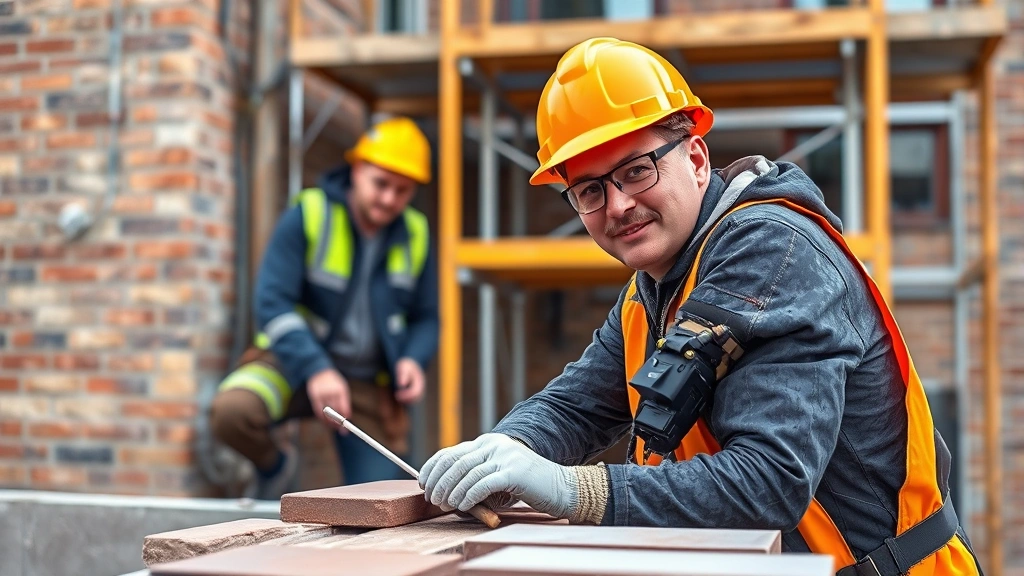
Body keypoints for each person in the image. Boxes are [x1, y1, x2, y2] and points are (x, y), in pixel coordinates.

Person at [419, 38, 981, 575]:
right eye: (589, 190)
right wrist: (504, 448)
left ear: (696, 156)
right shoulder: (654, 289)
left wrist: (571, 490)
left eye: (637, 171)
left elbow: (768, 484)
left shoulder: (773, 254)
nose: (618, 205)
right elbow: (577, 406)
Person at [210, 116, 438, 499]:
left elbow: (426, 316)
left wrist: (413, 358)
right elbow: (271, 302)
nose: (389, 199)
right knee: (232, 414)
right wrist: (316, 368)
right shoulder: (310, 213)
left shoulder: (415, 233)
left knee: (383, 498)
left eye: (402, 191)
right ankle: (277, 468)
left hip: (367, 383)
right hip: (291, 364)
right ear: (357, 169)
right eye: (381, 184)